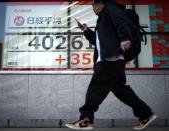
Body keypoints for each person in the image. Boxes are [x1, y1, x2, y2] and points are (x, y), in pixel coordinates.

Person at [65, 0, 156, 130]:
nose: (92, 8)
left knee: (95, 89)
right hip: (115, 61)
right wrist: (86, 31)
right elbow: (100, 42)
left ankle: (86, 119)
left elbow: (121, 21)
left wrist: (125, 37)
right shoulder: (104, 18)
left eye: (93, 5)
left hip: (109, 60)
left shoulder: (111, 9)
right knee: (122, 91)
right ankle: (145, 114)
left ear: (100, 3)